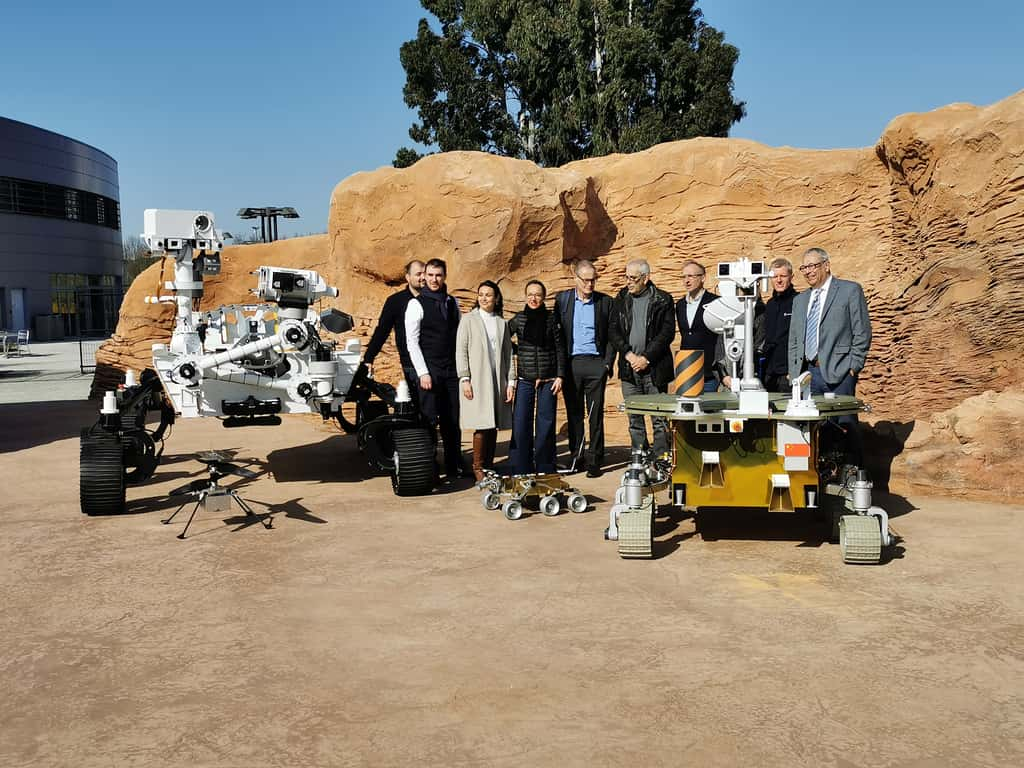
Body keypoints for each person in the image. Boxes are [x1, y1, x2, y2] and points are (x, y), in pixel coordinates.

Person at [787, 247, 872, 460]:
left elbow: (862, 332)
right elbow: (794, 340)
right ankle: (822, 478)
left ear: (826, 265)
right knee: (815, 430)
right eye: (804, 267)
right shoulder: (800, 300)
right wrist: (793, 370)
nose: (808, 271)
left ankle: (856, 478)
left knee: (845, 425)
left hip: (840, 371)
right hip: (808, 375)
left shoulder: (849, 290)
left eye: (813, 265)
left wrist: (854, 366)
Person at [405, 258, 468, 480]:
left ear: (444, 276)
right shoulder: (416, 304)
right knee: (429, 421)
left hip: (451, 371)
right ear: (424, 277)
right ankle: (428, 468)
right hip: (429, 371)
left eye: (438, 275)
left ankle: (454, 466)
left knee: (452, 420)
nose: (434, 279)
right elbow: (412, 342)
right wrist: (423, 372)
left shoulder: (453, 302)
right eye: (430, 275)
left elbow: (460, 336)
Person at [608, 259, 675, 458]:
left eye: (633, 278)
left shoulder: (663, 299)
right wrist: (629, 355)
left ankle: (661, 459)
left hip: (654, 368)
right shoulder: (620, 298)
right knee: (634, 417)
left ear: (645, 278)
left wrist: (646, 358)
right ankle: (639, 457)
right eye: (626, 277)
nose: (628, 282)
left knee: (659, 417)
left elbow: (667, 332)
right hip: (629, 369)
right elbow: (612, 330)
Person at [555, 260, 616, 478]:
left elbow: (612, 336)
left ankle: (595, 459)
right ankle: (576, 456)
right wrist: (560, 368)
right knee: (574, 414)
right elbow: (558, 336)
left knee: (595, 414)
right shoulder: (562, 300)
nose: (590, 284)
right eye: (586, 280)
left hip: (595, 363)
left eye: (593, 280)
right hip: (572, 364)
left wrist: (607, 363)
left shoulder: (605, 302)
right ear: (576, 279)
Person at [456, 281, 513, 482]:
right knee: (481, 423)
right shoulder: (468, 320)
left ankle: (489, 466)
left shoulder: (501, 322)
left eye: (488, 295)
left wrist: (511, 381)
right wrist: (465, 378)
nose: (484, 298)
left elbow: (508, 354)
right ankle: (477, 467)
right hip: (478, 378)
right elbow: (461, 350)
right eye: (481, 294)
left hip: (498, 378)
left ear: (496, 298)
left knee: (493, 422)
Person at [507, 280, 566, 475]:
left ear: (543, 297)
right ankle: (520, 466)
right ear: (525, 296)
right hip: (525, 380)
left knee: (546, 424)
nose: (534, 298)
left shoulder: (551, 319)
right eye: (530, 294)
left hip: (548, 380)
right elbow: (504, 340)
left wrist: (560, 375)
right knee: (521, 422)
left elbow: (560, 348)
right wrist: (518, 352)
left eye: (538, 295)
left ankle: (545, 466)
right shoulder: (519, 319)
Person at [362, 260, 425, 390]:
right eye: (418, 274)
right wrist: (369, 358)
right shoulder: (395, 301)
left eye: (425, 274)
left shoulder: (434, 299)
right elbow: (382, 331)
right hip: (410, 362)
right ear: (408, 277)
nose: (423, 277)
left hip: (435, 360)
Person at [675, 260, 720, 392]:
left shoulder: (714, 302)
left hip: (709, 371)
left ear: (703, 278)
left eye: (691, 276)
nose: (686, 281)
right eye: (684, 277)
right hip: (686, 369)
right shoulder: (680, 305)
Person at [760, 257, 799, 392]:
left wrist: (795, 371)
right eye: (775, 276)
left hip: (789, 373)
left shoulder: (799, 301)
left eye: (783, 276)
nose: (779, 280)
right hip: (769, 374)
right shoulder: (770, 304)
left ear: (791, 277)